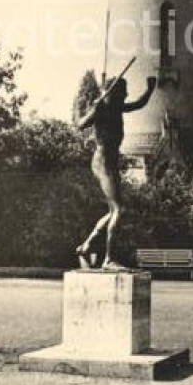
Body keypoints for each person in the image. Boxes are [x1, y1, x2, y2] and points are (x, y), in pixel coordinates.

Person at [75, 73, 157, 270]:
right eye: (123, 91)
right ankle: (108, 259)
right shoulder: (102, 108)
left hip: (109, 162)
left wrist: (150, 88)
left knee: (115, 210)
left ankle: (87, 246)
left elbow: (138, 104)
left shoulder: (115, 107)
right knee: (119, 210)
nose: (127, 94)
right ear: (116, 92)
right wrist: (92, 107)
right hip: (103, 162)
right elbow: (80, 124)